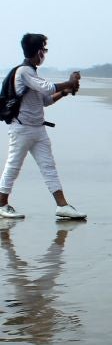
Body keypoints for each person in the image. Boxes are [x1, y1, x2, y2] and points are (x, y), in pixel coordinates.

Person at [0, 33, 85, 220]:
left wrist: (65, 91)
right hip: (21, 129)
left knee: (49, 167)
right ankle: (2, 204)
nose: (45, 54)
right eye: (44, 50)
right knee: (13, 166)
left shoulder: (31, 73)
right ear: (39, 51)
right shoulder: (24, 72)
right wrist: (70, 82)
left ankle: (62, 206)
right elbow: (47, 88)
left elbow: (45, 100)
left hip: (38, 129)